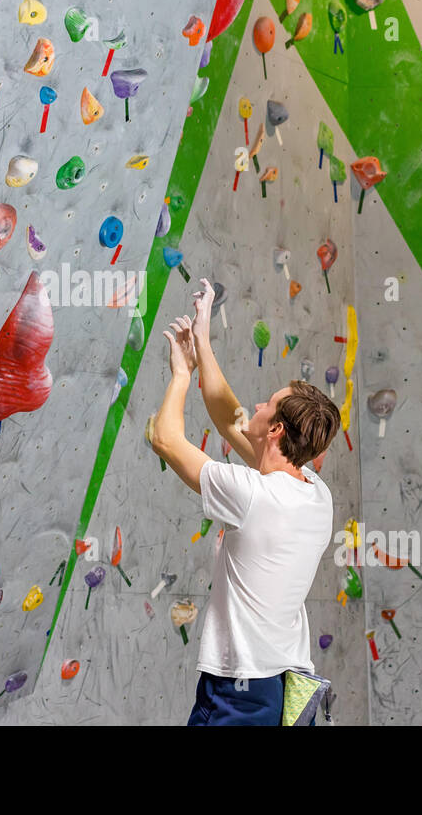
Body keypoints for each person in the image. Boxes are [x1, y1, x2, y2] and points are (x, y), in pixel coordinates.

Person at [149, 279, 340, 726]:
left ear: (274, 431)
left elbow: (165, 438)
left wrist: (181, 373)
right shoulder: (314, 491)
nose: (254, 403)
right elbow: (228, 415)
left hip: (241, 690)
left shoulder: (252, 494)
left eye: (267, 404)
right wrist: (202, 340)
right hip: (283, 689)